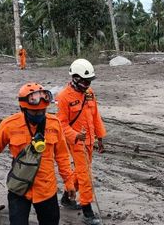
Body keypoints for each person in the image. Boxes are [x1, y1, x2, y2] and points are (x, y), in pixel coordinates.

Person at [0, 82, 75, 225]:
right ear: (23, 108)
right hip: (19, 188)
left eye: (43, 111)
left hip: (46, 189)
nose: (40, 114)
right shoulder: (10, 124)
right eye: (35, 112)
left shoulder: (54, 124)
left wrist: (69, 182)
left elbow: (62, 156)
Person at [56, 58, 106, 225]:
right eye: (85, 81)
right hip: (76, 142)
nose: (87, 84)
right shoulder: (64, 97)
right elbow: (61, 123)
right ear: (75, 78)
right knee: (85, 176)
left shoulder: (90, 93)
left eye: (89, 80)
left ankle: (66, 197)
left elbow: (96, 116)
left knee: (80, 171)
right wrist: (75, 135)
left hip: (90, 141)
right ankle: (87, 211)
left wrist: (100, 138)